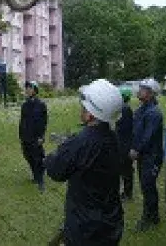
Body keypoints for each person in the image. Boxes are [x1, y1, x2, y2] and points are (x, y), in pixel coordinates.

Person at [45, 79, 124, 246]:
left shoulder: (82, 141)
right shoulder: (113, 137)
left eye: (84, 106)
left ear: (91, 114)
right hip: (110, 221)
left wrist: (52, 156)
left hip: (85, 226)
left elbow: (56, 171)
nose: (81, 109)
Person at [130, 78, 163, 232]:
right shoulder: (141, 109)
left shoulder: (153, 113)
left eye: (143, 89)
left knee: (148, 186)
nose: (139, 90)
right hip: (144, 156)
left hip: (152, 156)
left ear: (150, 94)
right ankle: (154, 215)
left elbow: (147, 136)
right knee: (146, 186)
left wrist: (136, 150)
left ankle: (148, 217)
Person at [19, 81, 48, 192]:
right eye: (26, 88)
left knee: (37, 157)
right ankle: (35, 175)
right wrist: (21, 134)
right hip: (25, 136)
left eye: (29, 87)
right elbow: (22, 121)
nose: (27, 90)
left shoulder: (41, 105)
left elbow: (44, 122)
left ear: (35, 90)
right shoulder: (25, 105)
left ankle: (40, 180)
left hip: (36, 136)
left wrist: (41, 136)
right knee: (28, 156)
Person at [115, 87, 134, 201]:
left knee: (126, 169)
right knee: (124, 169)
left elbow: (122, 128)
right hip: (123, 142)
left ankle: (127, 193)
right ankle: (126, 192)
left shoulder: (124, 109)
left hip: (124, 143)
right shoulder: (124, 108)